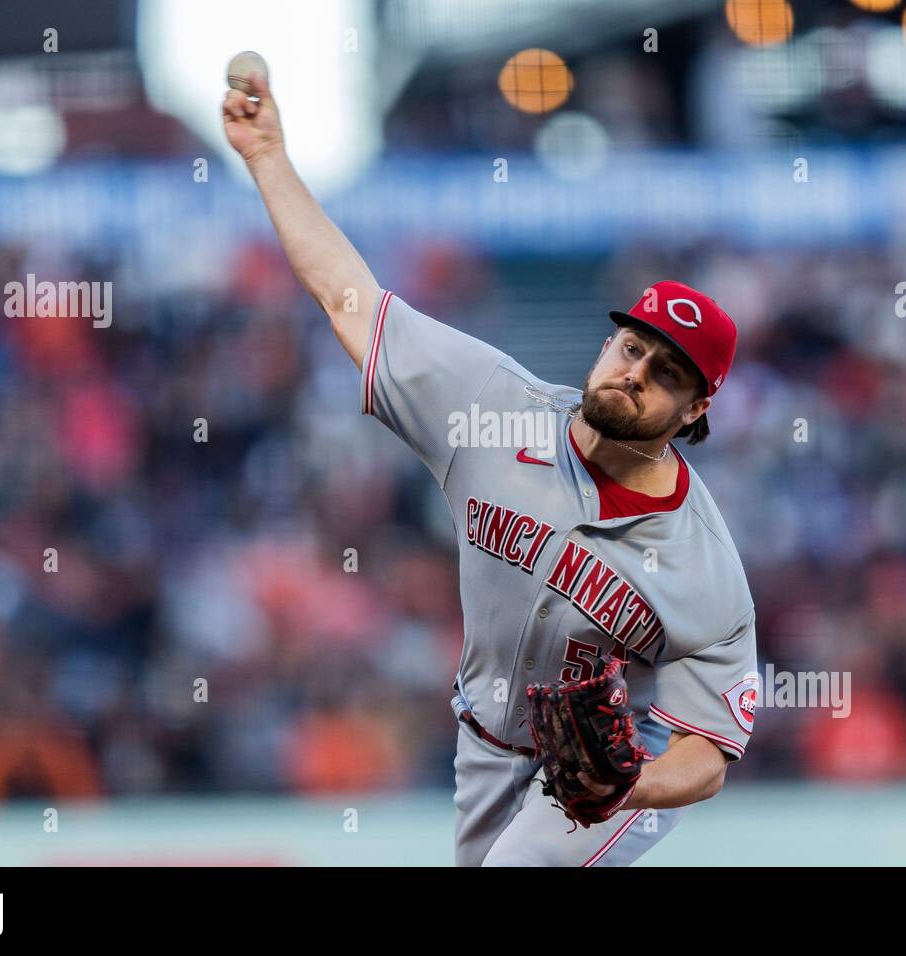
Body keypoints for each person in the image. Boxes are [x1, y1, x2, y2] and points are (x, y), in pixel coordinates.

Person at [224, 70, 757, 866]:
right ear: (606, 343)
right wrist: (267, 157)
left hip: (623, 764)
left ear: (694, 414)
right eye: (632, 346)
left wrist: (633, 783)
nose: (637, 371)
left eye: (668, 373)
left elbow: (709, 754)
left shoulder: (702, 565)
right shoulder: (488, 408)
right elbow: (350, 301)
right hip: (482, 739)